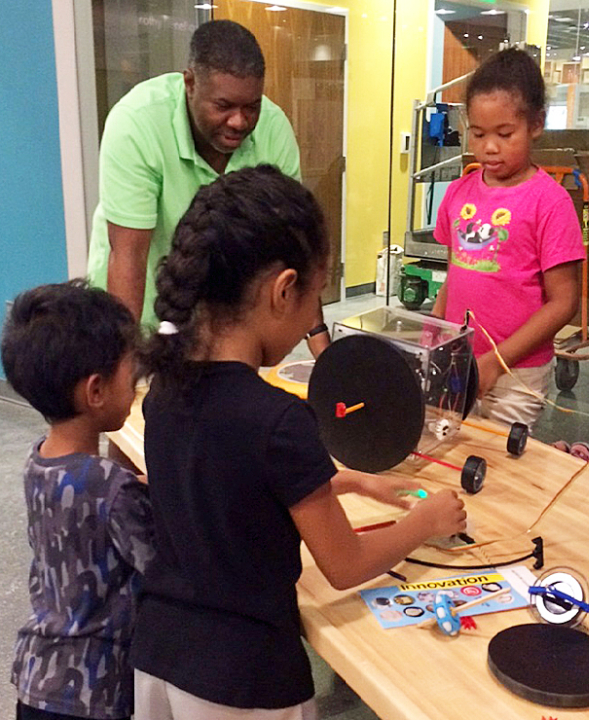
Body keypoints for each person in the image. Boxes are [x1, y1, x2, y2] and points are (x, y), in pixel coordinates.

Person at [131, 165, 466, 718]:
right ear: (284, 291)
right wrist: (423, 525)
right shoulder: (279, 419)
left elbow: (233, 478)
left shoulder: (164, 392)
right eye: (315, 298)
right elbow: (345, 564)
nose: (315, 318)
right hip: (246, 684)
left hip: (159, 659)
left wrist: (353, 480)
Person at [86, 20, 329, 354]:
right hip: (139, 312)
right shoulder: (137, 123)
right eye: (224, 106)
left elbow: (294, 245)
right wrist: (126, 365)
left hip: (216, 317)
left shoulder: (273, 128)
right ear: (190, 83)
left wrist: (324, 352)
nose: (239, 121)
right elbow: (129, 255)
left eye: (251, 106)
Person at [1, 281, 155, 720]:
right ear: (96, 391)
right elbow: (162, 565)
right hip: (92, 692)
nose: (137, 385)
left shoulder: (38, 463)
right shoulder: (111, 486)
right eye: (133, 375)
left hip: (36, 678)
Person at [432, 48, 585, 429]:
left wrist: (494, 362)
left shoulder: (550, 202)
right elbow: (456, 274)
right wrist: (433, 335)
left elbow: (563, 302)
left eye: (505, 134)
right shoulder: (458, 193)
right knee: (445, 453)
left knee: (500, 470)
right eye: (479, 134)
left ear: (536, 124)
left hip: (518, 374)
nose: (489, 147)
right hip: (459, 359)